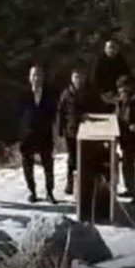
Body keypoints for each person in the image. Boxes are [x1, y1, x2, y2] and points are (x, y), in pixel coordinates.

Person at [19, 65, 58, 204]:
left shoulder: (49, 94)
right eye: (34, 75)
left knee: (48, 165)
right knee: (27, 165)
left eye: (39, 75)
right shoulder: (23, 94)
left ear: (43, 77)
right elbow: (16, 115)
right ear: (30, 78)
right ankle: (32, 191)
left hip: (44, 134)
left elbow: (54, 114)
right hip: (27, 135)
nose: (36, 78)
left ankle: (49, 192)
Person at [57, 68, 94, 195]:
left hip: (88, 130)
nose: (78, 79)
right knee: (72, 158)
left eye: (80, 77)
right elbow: (61, 112)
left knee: (85, 157)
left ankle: (84, 184)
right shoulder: (66, 94)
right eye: (76, 77)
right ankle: (70, 183)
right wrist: (59, 130)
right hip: (71, 130)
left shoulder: (89, 93)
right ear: (72, 78)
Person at [114, 75, 135, 198]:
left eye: (125, 88)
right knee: (127, 163)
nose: (123, 91)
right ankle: (130, 188)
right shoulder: (119, 102)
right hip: (124, 135)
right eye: (121, 88)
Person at [91, 39, 132, 113]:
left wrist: (120, 91)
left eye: (114, 47)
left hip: (118, 92)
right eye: (109, 47)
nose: (111, 50)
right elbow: (95, 79)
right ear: (105, 49)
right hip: (102, 93)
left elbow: (126, 76)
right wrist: (104, 92)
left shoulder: (121, 61)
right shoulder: (99, 62)